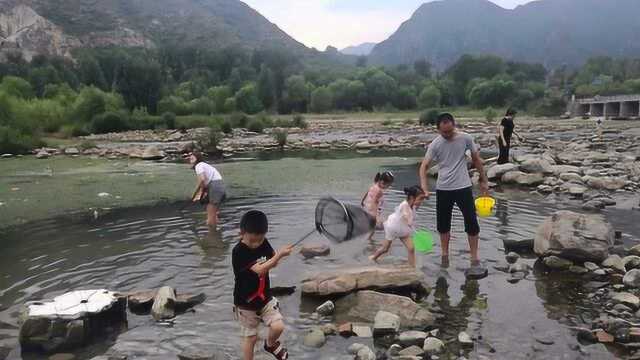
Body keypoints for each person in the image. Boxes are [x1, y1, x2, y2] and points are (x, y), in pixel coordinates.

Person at [419, 113, 489, 272]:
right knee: (443, 225)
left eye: (450, 131)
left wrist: (484, 180)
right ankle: (444, 255)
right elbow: (423, 167)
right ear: (438, 130)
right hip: (443, 188)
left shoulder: (466, 138)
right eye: (444, 133)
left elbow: (476, 159)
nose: (448, 135)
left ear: (454, 125)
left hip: (463, 186)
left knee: (471, 222)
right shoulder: (435, 144)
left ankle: (474, 257)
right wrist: (424, 187)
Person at [232, 210, 293, 360]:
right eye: (252, 240)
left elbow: (273, 261)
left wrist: (279, 255)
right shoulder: (239, 251)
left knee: (278, 326)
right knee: (250, 337)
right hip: (245, 304)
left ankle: (270, 344)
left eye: (259, 240)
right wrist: (278, 256)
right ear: (242, 233)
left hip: (265, 298)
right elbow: (260, 270)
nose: (256, 244)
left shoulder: (263, 242)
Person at [369, 185, 426, 267]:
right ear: (412, 198)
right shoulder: (404, 205)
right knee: (385, 249)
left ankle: (412, 267)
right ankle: (373, 257)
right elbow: (407, 216)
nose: (421, 201)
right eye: (420, 199)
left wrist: (424, 196)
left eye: (422, 199)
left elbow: (411, 214)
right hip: (393, 228)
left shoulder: (413, 205)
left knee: (411, 248)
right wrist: (410, 222)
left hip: (403, 229)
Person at [189, 151, 226, 229]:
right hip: (219, 186)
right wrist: (202, 192)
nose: (190, 159)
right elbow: (206, 182)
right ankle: (215, 231)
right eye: (190, 158)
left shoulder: (198, 165)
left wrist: (200, 193)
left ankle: (211, 233)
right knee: (213, 212)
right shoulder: (205, 165)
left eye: (192, 157)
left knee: (210, 213)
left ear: (197, 158)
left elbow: (202, 180)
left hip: (214, 186)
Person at [361, 171, 395, 236]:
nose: (388, 187)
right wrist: (376, 216)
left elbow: (367, 192)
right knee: (375, 228)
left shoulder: (375, 185)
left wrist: (362, 202)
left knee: (371, 228)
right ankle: (370, 242)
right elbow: (374, 202)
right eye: (388, 185)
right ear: (382, 182)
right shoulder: (379, 191)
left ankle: (369, 241)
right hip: (372, 211)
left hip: (367, 208)